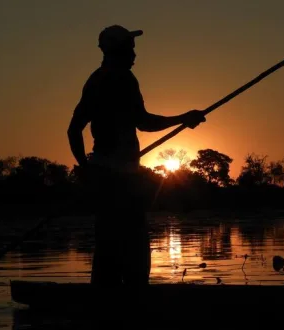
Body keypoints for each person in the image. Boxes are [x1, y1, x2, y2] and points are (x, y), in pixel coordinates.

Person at [67, 25, 206, 286]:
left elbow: (74, 130)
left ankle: (105, 301)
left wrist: (86, 167)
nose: (134, 55)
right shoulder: (121, 79)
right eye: (130, 49)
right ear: (117, 51)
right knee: (134, 249)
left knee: (108, 246)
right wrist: (182, 119)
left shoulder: (95, 80)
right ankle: (131, 303)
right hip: (119, 179)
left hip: (107, 175)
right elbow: (143, 122)